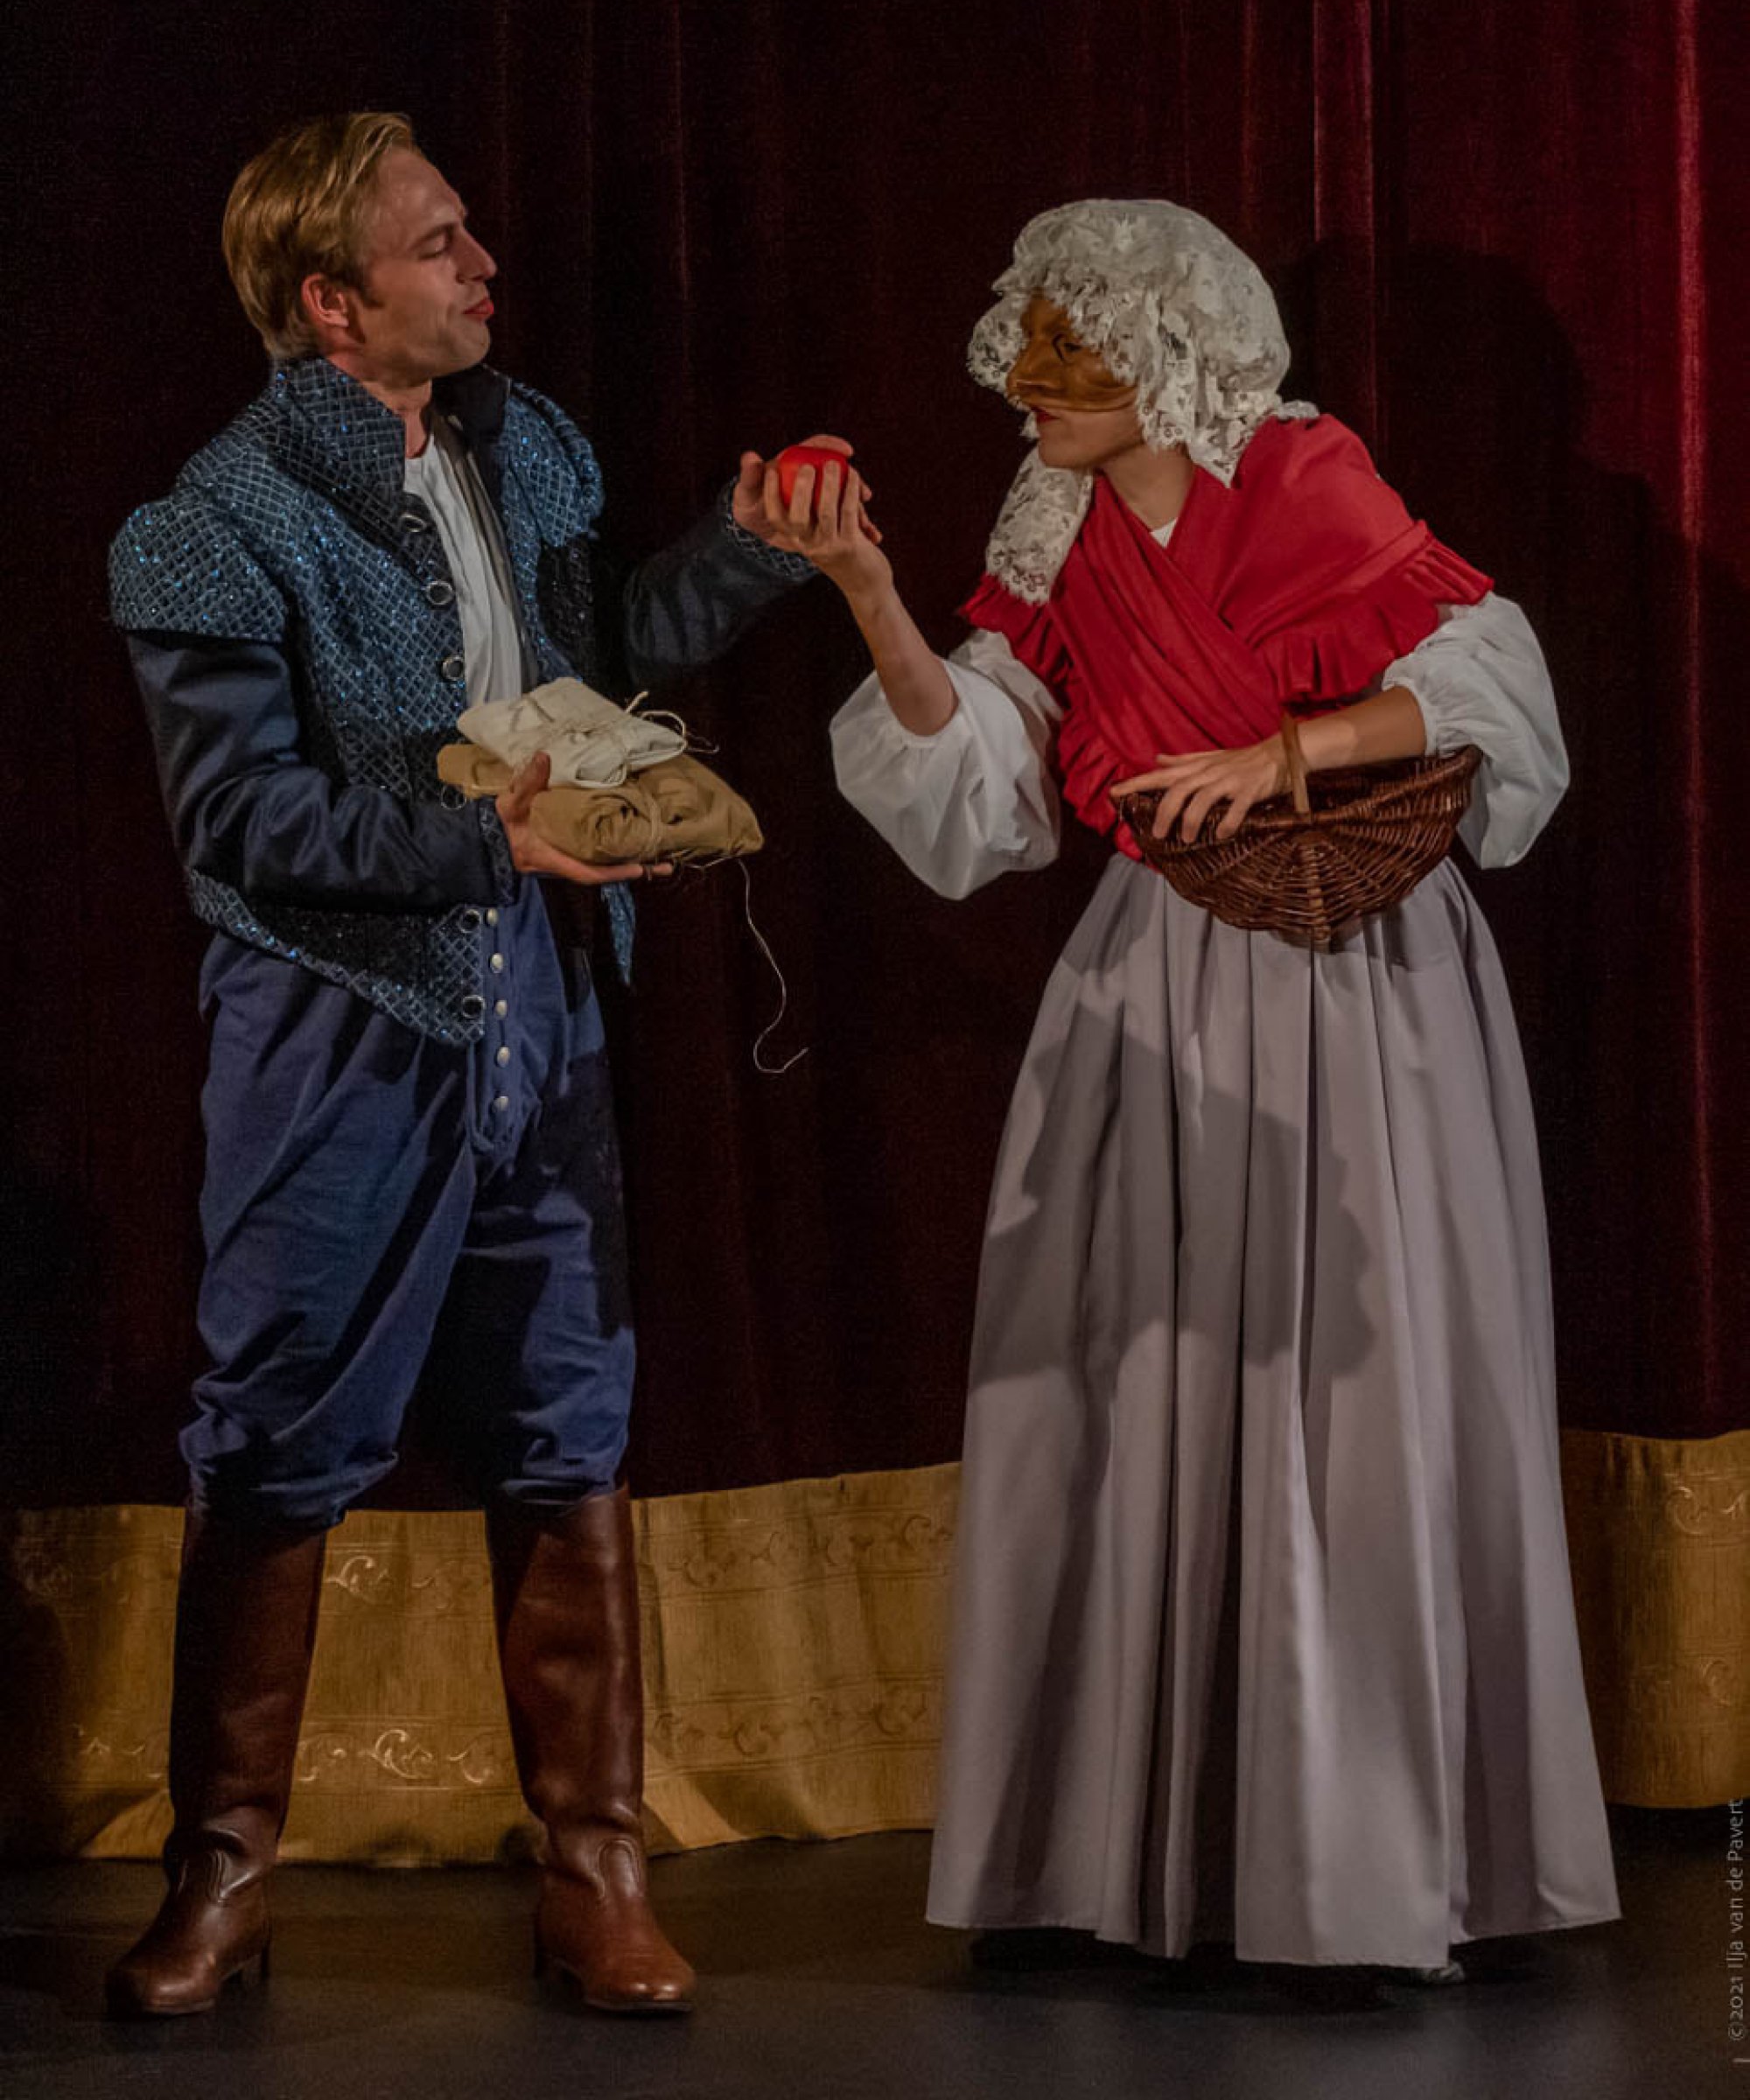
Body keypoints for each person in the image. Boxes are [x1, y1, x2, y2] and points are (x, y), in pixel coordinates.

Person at [802, 200, 1619, 1975]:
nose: (1026, 379)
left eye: (1069, 348)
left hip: (1352, 973)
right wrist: (868, 592)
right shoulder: (1053, 517)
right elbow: (985, 780)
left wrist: (1285, 750)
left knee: (1355, 1387)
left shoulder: (1301, 472)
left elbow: (1487, 681)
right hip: (1155, 968)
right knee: (1126, 1371)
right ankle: (1114, 1855)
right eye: (1026, 340)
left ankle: (1359, 1868)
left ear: (1167, 354)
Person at [107, 110, 840, 2018]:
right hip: (338, 1020)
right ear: (331, 304)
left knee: (564, 1418)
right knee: (278, 1426)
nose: (483, 264)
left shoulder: (526, 444)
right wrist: (477, 841)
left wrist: (748, 553)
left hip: (543, 997)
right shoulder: (215, 521)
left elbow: (602, 655)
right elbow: (240, 820)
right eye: (438, 245)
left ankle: (596, 1869)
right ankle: (221, 1874)